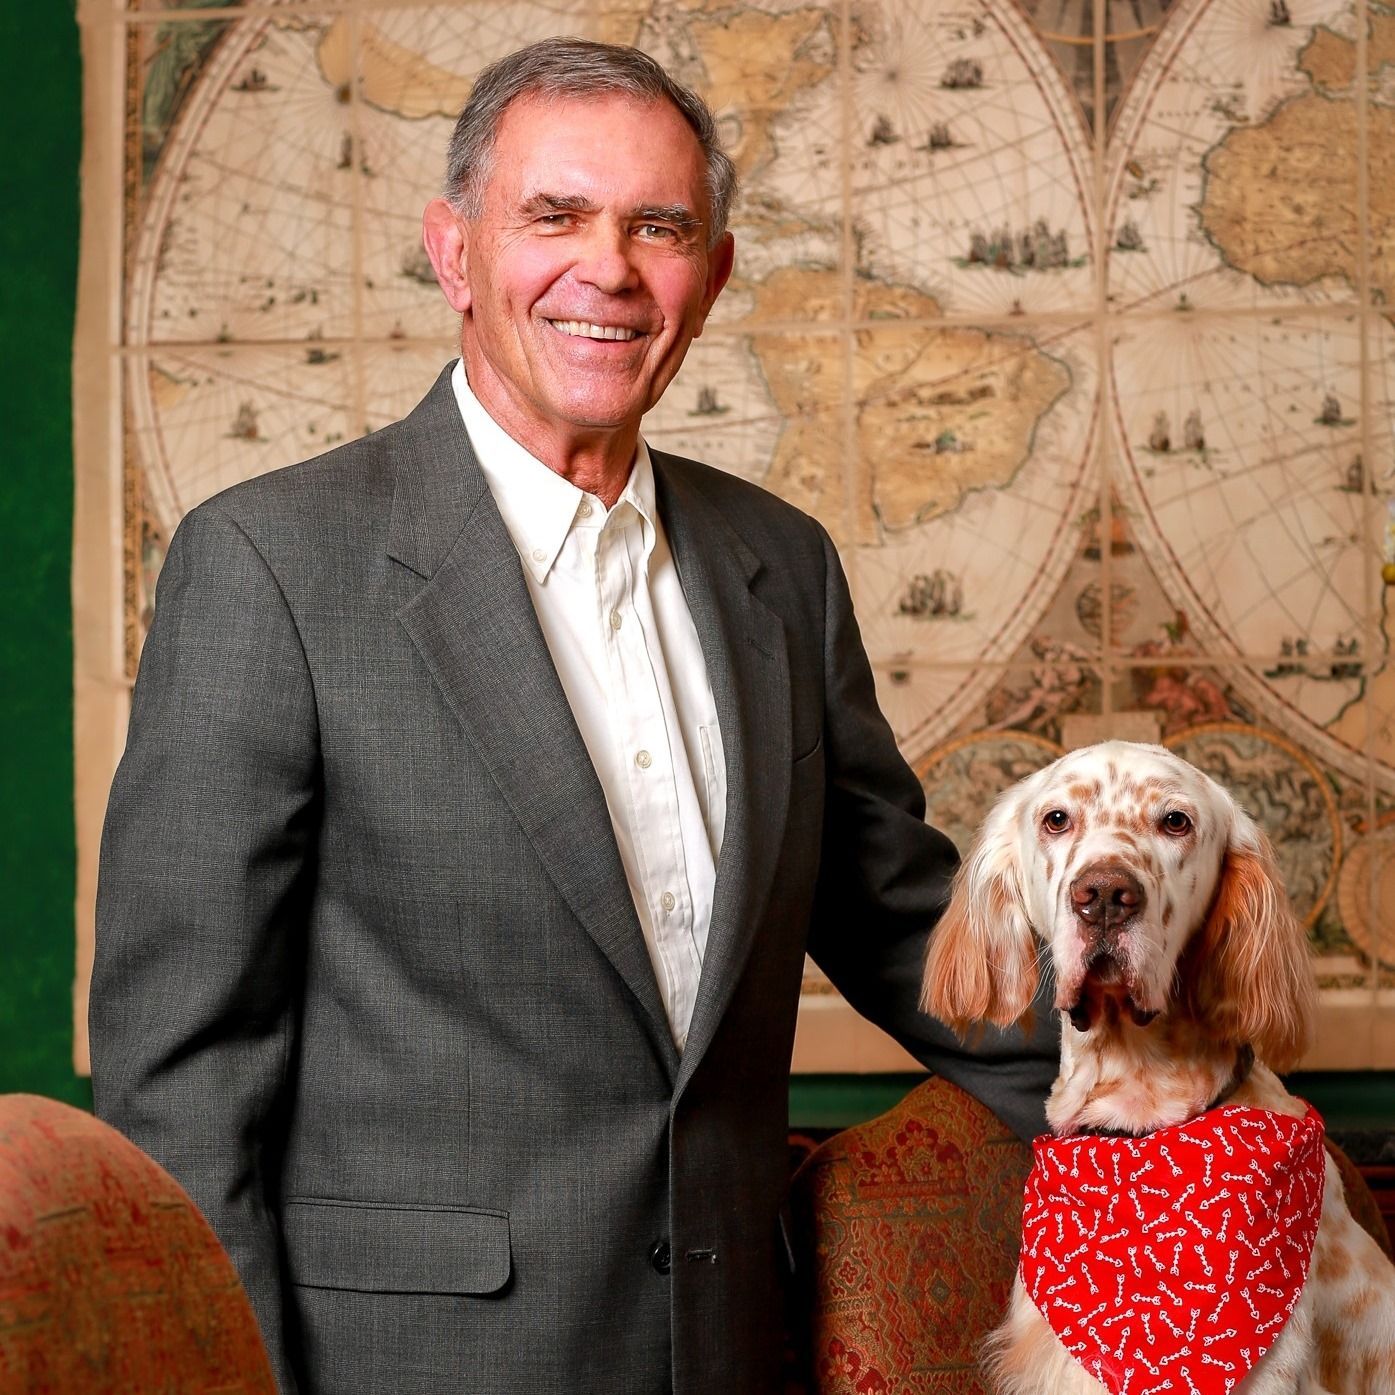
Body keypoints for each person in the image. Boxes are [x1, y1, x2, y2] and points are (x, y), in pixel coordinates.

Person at [90, 37, 1057, 1395]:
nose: (608, 268)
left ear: (713, 276)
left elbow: (907, 926)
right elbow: (183, 1074)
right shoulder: (272, 566)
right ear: (454, 255)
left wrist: (1193, 1107)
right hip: (409, 1369)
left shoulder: (781, 565)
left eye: (659, 227)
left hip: (727, 1354)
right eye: (553, 216)